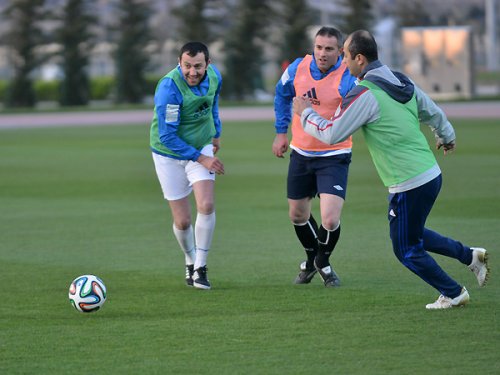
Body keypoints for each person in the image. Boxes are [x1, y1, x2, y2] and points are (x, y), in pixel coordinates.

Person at [293, 30, 490, 309]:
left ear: (359, 59)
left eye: (346, 56)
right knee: (412, 233)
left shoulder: (364, 94)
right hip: (429, 174)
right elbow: (431, 111)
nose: (343, 62)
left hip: (408, 181)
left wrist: (306, 113)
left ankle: (453, 292)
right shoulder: (400, 80)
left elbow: (331, 133)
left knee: (406, 249)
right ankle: (470, 256)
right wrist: (446, 136)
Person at [273, 26, 357, 287]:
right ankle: (312, 259)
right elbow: (282, 94)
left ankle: (322, 261)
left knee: (330, 218)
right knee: (297, 215)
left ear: (340, 52)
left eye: (329, 49)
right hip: (301, 152)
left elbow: (358, 109)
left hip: (335, 154)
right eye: (319, 47)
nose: (322, 53)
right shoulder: (297, 67)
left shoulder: (348, 77)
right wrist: (280, 132)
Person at [150, 42, 224, 290]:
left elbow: (212, 103)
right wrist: (201, 158)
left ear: (208, 64)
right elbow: (167, 136)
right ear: (179, 64)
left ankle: (201, 268)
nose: (193, 72)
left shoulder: (214, 77)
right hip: (168, 154)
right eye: (187, 66)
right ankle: (190, 260)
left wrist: (215, 134)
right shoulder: (169, 88)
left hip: (201, 145)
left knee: (207, 204)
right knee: (182, 222)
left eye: (198, 66)